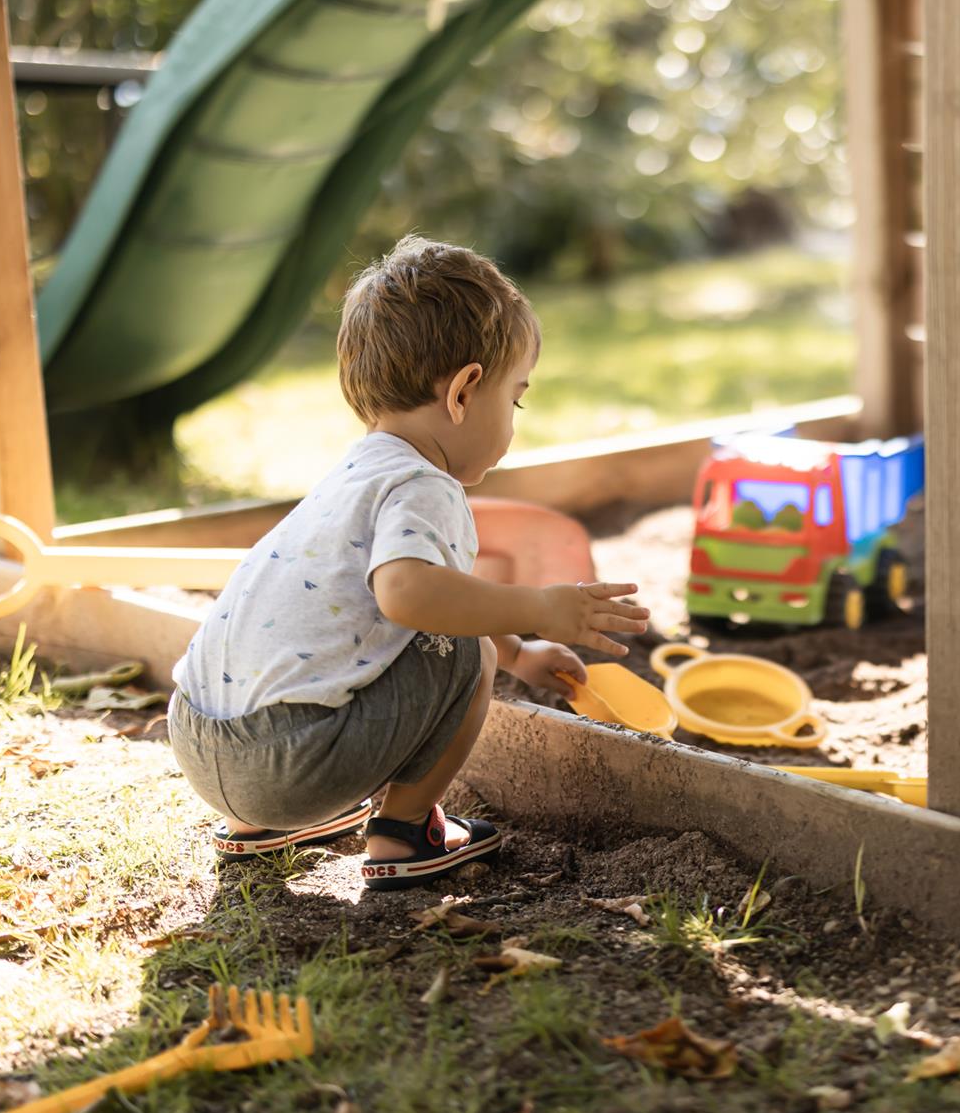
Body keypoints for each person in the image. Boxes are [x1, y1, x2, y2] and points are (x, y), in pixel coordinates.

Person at [168, 236, 648, 890]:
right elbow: (408, 595)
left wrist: (523, 653)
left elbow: (438, 593)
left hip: (199, 739)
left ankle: (262, 826)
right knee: (469, 649)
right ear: (464, 392)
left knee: (464, 630)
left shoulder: (355, 470)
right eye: (516, 399)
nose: (513, 419)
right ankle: (404, 831)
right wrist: (539, 607)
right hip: (281, 767)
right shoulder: (425, 484)